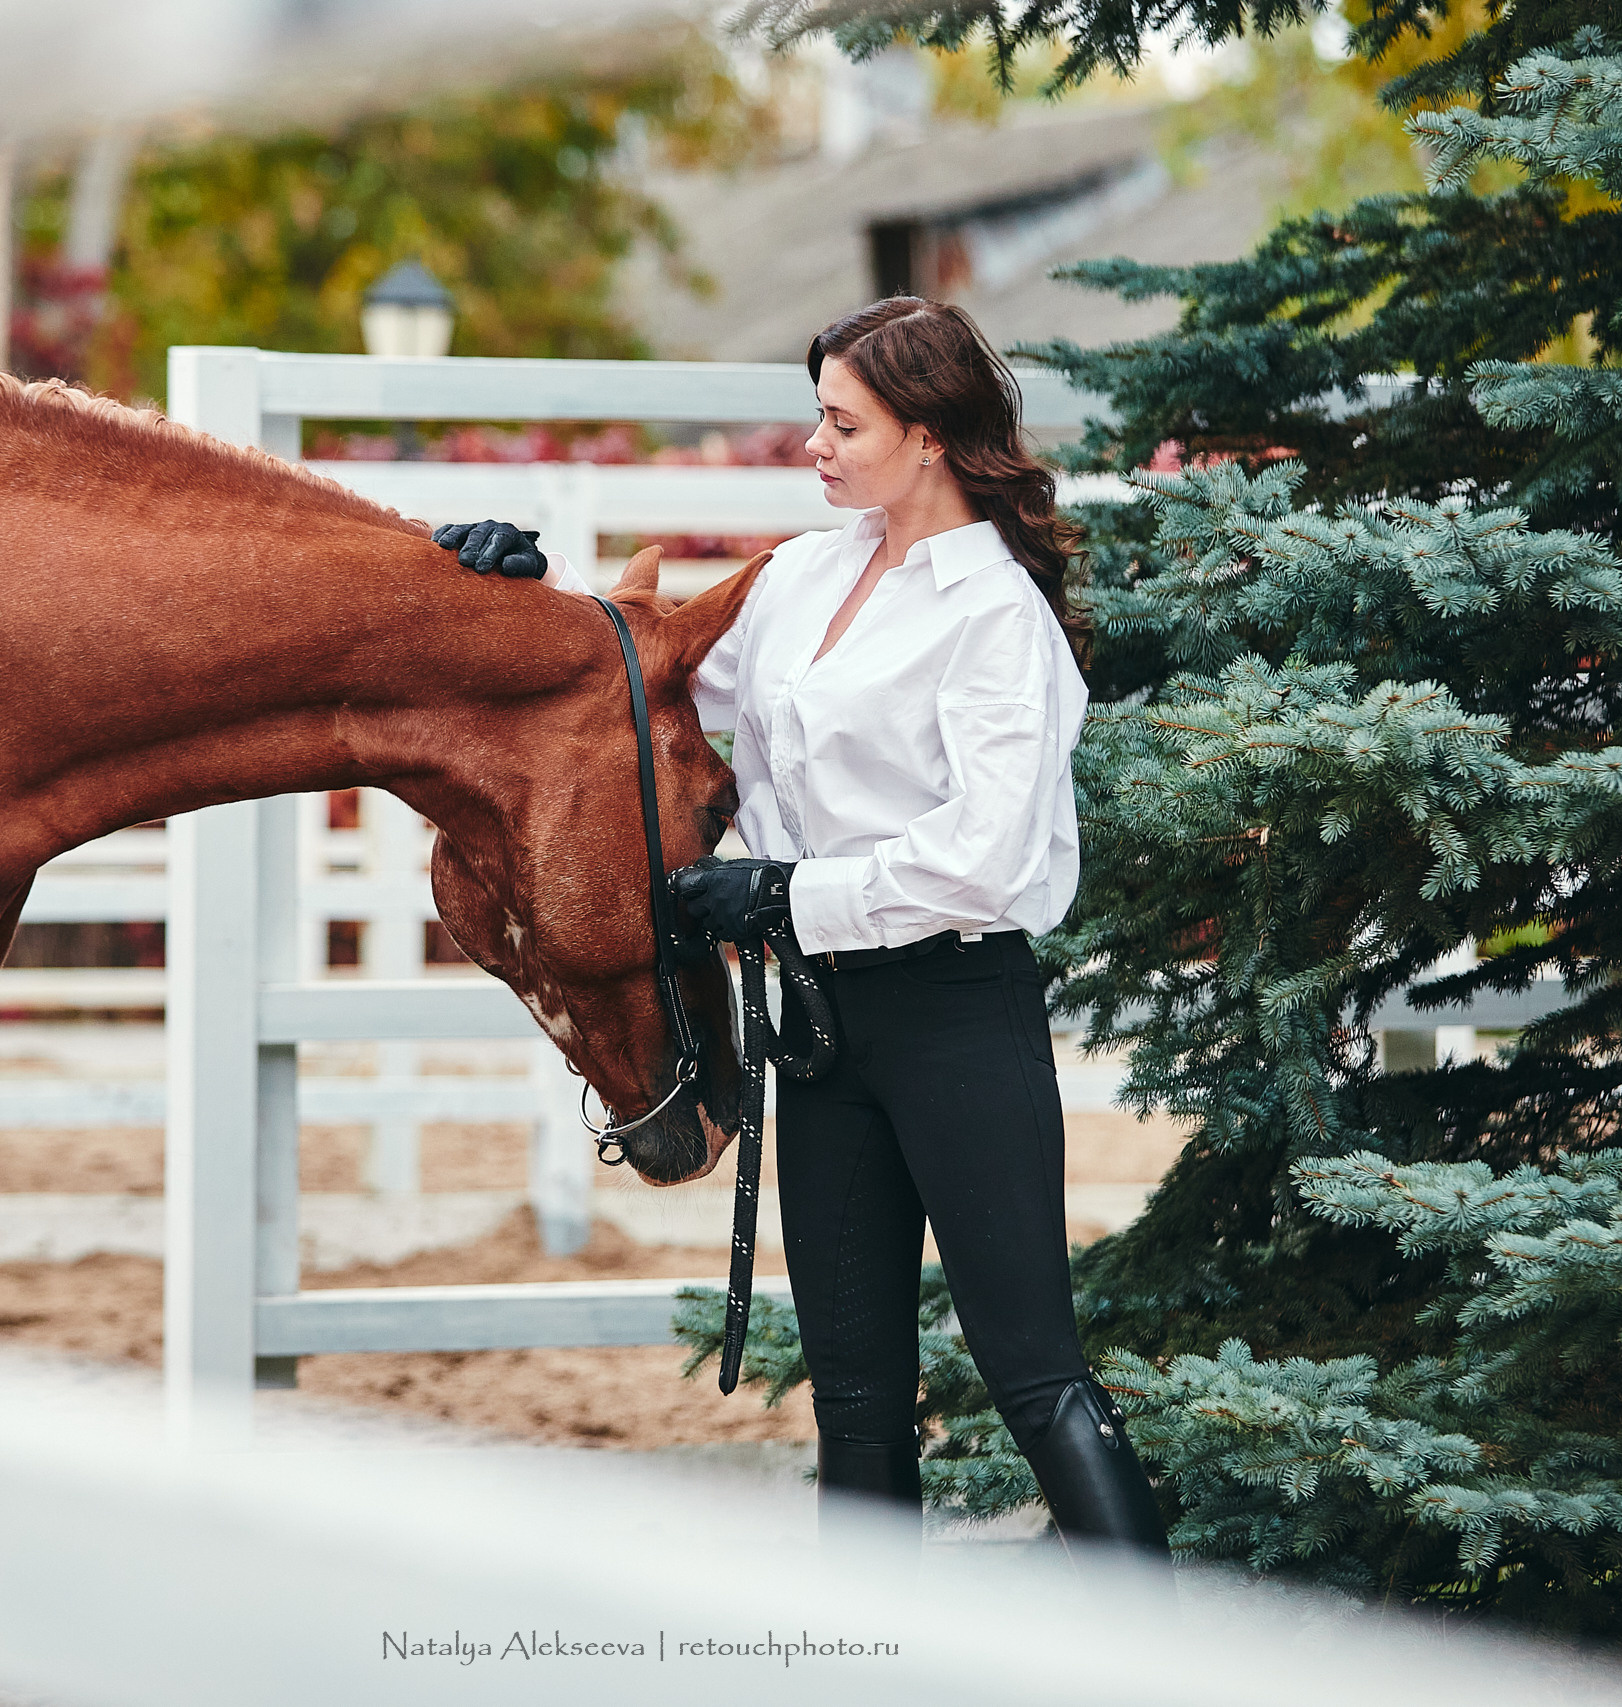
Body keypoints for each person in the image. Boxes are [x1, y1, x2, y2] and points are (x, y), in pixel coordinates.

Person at [433, 297, 1167, 1562]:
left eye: (842, 423)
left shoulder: (997, 617)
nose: (813, 446)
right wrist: (505, 579)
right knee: (856, 1397)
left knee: (1034, 1375)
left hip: (952, 1018)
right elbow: (631, 671)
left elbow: (987, 857)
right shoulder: (802, 576)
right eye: (815, 418)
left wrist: (778, 896)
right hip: (818, 1033)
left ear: (929, 436)